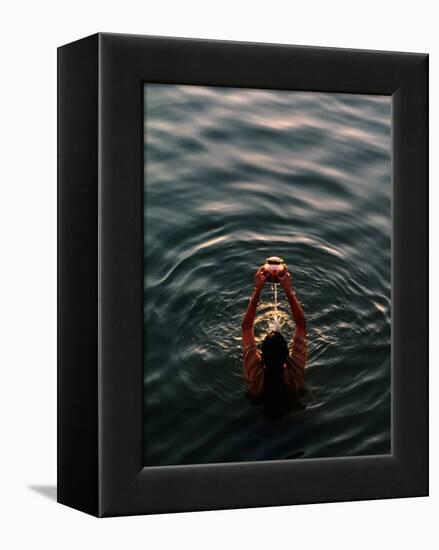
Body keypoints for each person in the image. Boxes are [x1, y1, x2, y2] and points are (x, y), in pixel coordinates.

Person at [241, 266, 307, 419]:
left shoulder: (255, 374)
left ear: (261, 356)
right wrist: (288, 291)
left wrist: (257, 290)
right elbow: (301, 324)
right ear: (287, 355)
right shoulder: (294, 372)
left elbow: (246, 327)